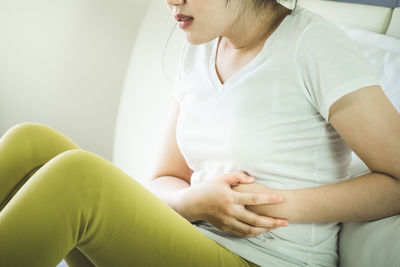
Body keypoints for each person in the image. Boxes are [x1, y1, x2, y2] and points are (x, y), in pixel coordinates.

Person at [0, 0, 399, 266]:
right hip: (193, 235)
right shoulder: (199, 48)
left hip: (265, 260)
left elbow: (396, 179)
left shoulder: (313, 44)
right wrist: (195, 203)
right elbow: (162, 179)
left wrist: (266, 206)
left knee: (79, 178)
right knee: (32, 141)